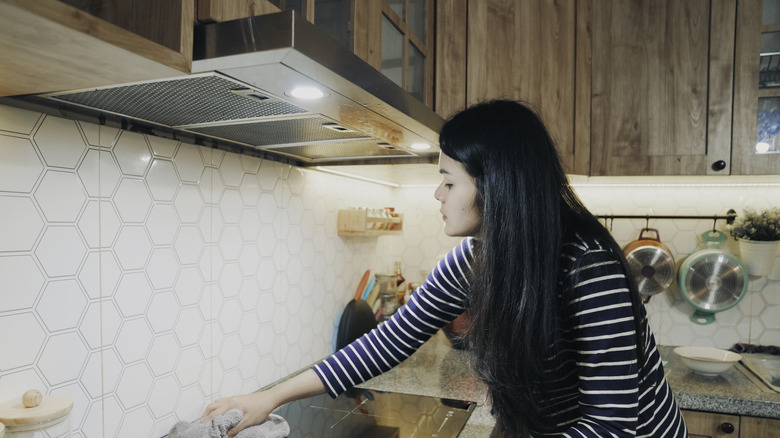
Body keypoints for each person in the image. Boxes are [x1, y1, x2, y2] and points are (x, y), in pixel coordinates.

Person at [202, 100, 688, 437]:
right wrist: (271, 397)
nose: (438, 195)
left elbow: (613, 424)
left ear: (497, 186)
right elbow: (389, 340)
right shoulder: (474, 260)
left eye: (447, 181)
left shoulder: (588, 267)